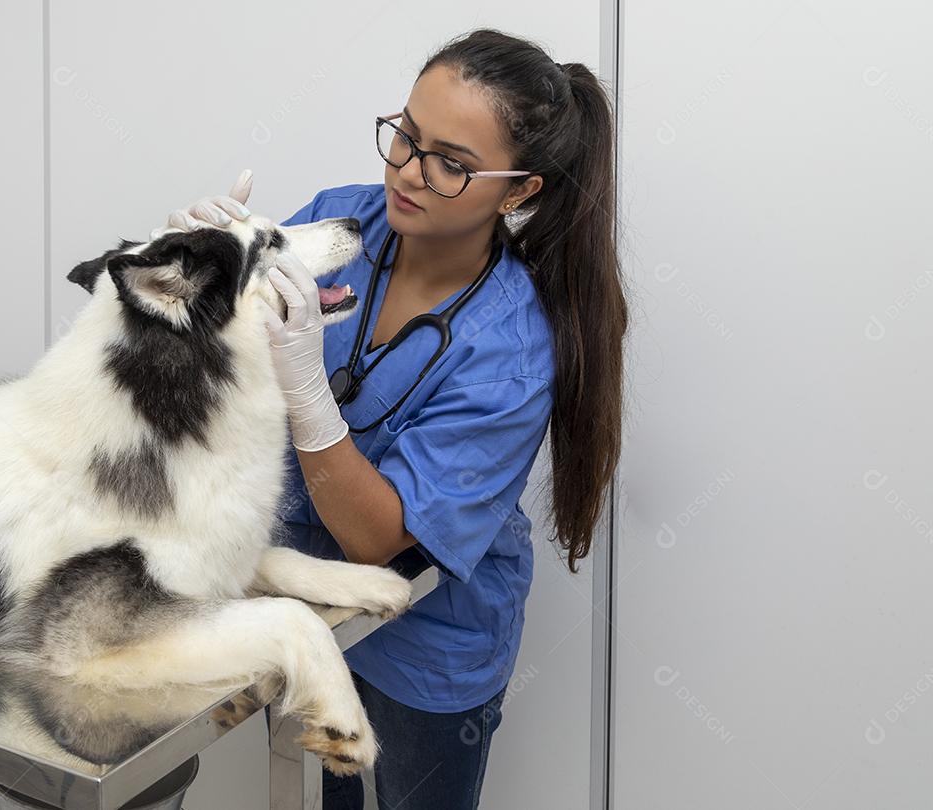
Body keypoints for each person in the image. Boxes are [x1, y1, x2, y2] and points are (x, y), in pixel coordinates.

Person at [161, 27, 628, 810]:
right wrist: (198, 281)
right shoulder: (345, 220)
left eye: (451, 163)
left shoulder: (509, 355)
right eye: (406, 137)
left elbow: (377, 540)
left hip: (430, 639)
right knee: (324, 793)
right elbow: (215, 379)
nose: (408, 173)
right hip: (305, 602)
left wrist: (309, 394)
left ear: (520, 192)